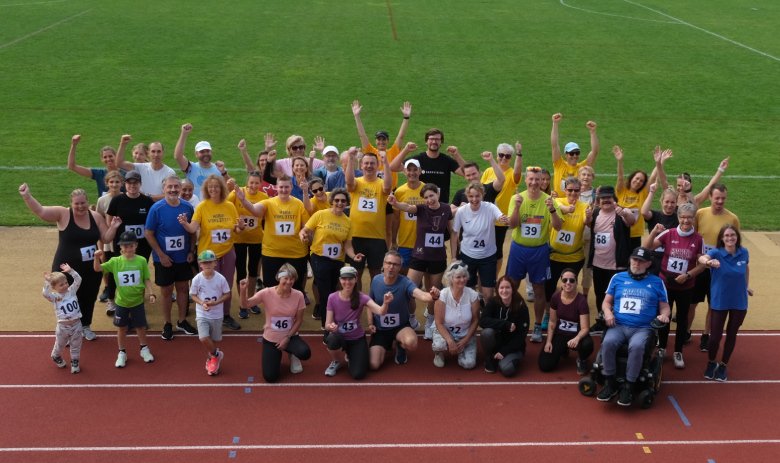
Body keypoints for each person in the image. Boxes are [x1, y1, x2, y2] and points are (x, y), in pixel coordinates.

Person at [19, 183, 121, 341]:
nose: (80, 206)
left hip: (91, 267)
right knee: (67, 298)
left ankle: (85, 326)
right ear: (71, 203)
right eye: (77, 203)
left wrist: (113, 227)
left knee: (88, 297)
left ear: (87, 202)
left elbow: (106, 238)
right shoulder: (63, 214)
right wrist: (27, 196)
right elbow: (41, 211)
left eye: (83, 203)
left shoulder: (95, 216)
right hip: (65, 268)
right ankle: (67, 330)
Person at [597, 247, 670, 407]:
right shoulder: (617, 278)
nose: (637, 263)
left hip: (643, 328)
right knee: (607, 343)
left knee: (637, 346)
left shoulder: (657, 282)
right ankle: (610, 383)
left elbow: (665, 307)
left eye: (641, 261)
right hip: (619, 325)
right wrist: (607, 313)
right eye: (634, 259)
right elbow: (606, 302)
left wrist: (664, 315)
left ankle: (629, 386)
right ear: (630, 260)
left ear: (648, 264)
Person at [178, 174, 245, 330]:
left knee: (226, 284)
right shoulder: (202, 206)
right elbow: (193, 228)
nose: (213, 189)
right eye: (210, 187)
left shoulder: (230, 206)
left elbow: (236, 229)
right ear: (206, 190)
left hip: (227, 251)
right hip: (208, 254)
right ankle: (207, 315)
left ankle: (225, 315)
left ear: (221, 188)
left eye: (216, 186)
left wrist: (241, 227)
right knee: (208, 285)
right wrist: (185, 224)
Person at [388, 183, 453, 340]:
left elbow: (452, 231)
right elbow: (407, 207)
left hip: (437, 258)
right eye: (426, 197)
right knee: (409, 289)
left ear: (437, 194)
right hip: (419, 256)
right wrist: (396, 203)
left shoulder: (446, 209)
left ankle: (430, 321)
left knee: (433, 292)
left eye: (431, 195)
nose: (429, 199)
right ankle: (410, 317)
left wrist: (454, 254)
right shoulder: (421, 209)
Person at [644, 203, 705, 368]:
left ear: (693, 219)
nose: (686, 221)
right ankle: (662, 347)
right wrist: (654, 232)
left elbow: (701, 265)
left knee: (682, 319)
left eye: (689, 217)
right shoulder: (669, 233)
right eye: (683, 217)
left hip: (686, 286)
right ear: (678, 217)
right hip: (666, 284)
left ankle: (678, 351)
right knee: (664, 316)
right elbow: (647, 248)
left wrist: (688, 275)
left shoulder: (698, 239)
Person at [507, 166, 563, 342]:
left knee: (539, 289)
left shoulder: (549, 201)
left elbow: (558, 226)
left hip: (539, 251)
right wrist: (517, 208)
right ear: (526, 180)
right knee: (512, 286)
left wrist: (552, 210)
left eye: (537, 179)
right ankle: (510, 320)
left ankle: (537, 326)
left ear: (542, 181)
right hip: (518, 249)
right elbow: (512, 225)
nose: (534, 182)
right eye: (531, 179)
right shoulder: (517, 198)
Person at [235, 174, 310, 296]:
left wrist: (304, 233)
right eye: (281, 187)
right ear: (276, 187)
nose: (284, 190)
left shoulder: (299, 204)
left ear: (291, 187)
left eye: (286, 187)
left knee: (295, 287)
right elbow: (254, 210)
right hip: (272, 252)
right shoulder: (269, 203)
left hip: (296, 253)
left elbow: (305, 225)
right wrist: (243, 200)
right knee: (271, 286)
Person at [144, 174, 197, 340]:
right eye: (170, 187)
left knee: (183, 289)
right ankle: (167, 323)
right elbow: (148, 233)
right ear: (164, 189)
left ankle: (182, 321)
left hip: (183, 257)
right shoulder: (156, 209)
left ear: (180, 188)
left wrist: (191, 251)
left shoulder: (188, 207)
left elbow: (192, 231)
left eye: (176, 186)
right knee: (166, 291)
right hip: (164, 259)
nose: (173, 189)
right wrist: (161, 255)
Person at [94, 232, 157, 368]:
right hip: (122, 303)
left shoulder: (141, 260)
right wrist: (96, 257)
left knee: (140, 327)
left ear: (136, 245)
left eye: (131, 246)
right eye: (125, 246)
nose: (128, 249)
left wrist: (151, 293)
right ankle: (122, 352)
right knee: (122, 328)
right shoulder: (115, 261)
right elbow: (98, 268)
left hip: (138, 302)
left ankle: (144, 348)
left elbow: (146, 278)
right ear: (121, 247)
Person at [240, 263, 311, 383]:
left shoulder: (298, 295)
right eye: (286, 278)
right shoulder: (266, 293)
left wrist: (287, 338)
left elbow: (299, 320)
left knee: (305, 353)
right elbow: (245, 305)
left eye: (292, 279)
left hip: (290, 336)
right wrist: (243, 290)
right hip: (271, 339)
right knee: (270, 377)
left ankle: (292, 354)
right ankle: (276, 355)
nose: (289, 282)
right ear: (279, 278)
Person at [299, 188, 361, 324]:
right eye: (337, 200)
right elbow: (305, 230)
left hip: (337, 260)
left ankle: (330, 318)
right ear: (331, 201)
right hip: (319, 257)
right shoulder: (320, 214)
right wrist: (303, 235)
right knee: (325, 290)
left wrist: (353, 256)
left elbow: (347, 245)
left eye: (343, 201)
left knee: (334, 289)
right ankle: (326, 324)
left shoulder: (348, 222)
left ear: (347, 203)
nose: (340, 203)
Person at [368, 251, 439, 370]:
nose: (391, 267)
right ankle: (386, 345)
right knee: (374, 365)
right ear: (383, 264)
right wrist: (370, 323)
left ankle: (400, 345)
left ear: (400, 267)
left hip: (400, 327)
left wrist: (433, 296)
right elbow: (370, 303)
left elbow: (421, 295)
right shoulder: (376, 280)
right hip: (380, 329)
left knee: (411, 343)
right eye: (388, 263)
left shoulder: (405, 282)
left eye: (395, 264)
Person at [691, 184, 741, 351]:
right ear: (710, 197)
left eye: (723, 198)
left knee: (714, 305)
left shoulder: (732, 219)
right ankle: (686, 331)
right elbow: (693, 238)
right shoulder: (700, 214)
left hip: (720, 270)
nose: (720, 201)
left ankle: (706, 334)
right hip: (700, 267)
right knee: (692, 303)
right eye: (717, 198)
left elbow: (736, 245)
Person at [699, 225, 752, 382]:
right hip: (720, 300)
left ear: (737, 237)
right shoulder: (716, 253)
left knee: (732, 334)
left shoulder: (744, 252)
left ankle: (723, 365)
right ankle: (711, 362)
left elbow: (746, 268)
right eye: (726, 236)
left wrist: (746, 286)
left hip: (739, 301)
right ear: (722, 238)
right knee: (715, 337)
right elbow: (702, 258)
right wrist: (709, 262)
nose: (730, 238)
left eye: (732, 235)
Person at [323, 266, 392, 379]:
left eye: (350, 279)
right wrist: (331, 327)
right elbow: (327, 325)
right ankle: (336, 361)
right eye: (344, 279)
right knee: (331, 339)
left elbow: (381, 312)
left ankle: (352, 355)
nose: (347, 282)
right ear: (340, 280)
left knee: (358, 374)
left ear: (355, 279)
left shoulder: (362, 297)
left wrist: (386, 303)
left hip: (356, 339)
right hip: (339, 337)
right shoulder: (332, 298)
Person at [587, 185, 636, 334]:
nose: (606, 200)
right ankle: (602, 321)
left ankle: (617, 324)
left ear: (614, 199)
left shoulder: (621, 212)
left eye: (608, 197)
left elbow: (631, 221)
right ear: (599, 200)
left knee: (616, 296)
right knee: (600, 294)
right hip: (598, 264)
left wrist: (624, 213)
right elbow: (588, 224)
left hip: (616, 266)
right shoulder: (596, 213)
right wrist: (588, 217)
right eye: (603, 198)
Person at [452, 181, 509, 301]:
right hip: (468, 256)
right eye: (471, 196)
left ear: (482, 195)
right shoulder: (461, 211)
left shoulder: (490, 207)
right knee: (469, 292)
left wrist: (503, 218)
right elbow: (454, 233)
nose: (474, 199)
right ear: (467, 196)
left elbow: (499, 216)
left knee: (488, 294)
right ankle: (473, 311)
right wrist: (453, 256)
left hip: (488, 257)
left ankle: (486, 312)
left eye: (477, 196)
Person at [544, 177, 592, 313]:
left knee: (569, 286)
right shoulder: (557, 201)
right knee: (549, 287)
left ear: (580, 191)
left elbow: (587, 222)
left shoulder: (584, 206)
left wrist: (589, 216)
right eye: (570, 190)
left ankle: (568, 312)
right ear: (565, 190)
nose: (573, 193)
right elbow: (557, 208)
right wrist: (567, 209)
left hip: (574, 258)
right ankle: (548, 313)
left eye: (576, 190)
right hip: (553, 257)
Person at [346, 149, 393, 283]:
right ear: (361, 165)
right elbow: (349, 182)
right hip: (356, 235)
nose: (369, 166)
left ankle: (376, 296)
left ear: (377, 165)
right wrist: (350, 158)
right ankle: (357, 297)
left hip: (376, 237)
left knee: (376, 273)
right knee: (356, 273)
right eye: (366, 163)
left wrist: (386, 162)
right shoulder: (357, 182)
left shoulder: (381, 183)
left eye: (372, 163)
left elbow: (388, 186)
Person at [226, 172, 269, 319]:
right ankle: (242, 304)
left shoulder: (264, 197)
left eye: (257, 183)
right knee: (241, 272)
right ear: (247, 182)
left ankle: (250, 300)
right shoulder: (236, 193)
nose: (254, 186)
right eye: (251, 183)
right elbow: (226, 207)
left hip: (256, 239)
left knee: (253, 272)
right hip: (239, 239)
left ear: (260, 183)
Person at [480, 142, 524, 276]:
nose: (504, 158)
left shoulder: (512, 174)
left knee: (497, 250)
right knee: (482, 247)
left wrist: (519, 154)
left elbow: (517, 173)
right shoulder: (488, 171)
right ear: (497, 155)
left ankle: (494, 277)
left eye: (507, 156)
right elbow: (481, 191)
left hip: (500, 220)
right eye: (501, 155)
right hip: (485, 218)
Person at [538, 269, 593, 375]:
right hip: (560, 334)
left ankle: (582, 360)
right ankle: (563, 349)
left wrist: (577, 338)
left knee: (587, 344)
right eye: (565, 280)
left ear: (576, 283)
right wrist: (549, 341)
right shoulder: (555, 297)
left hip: (576, 334)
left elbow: (585, 328)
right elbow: (552, 322)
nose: (568, 283)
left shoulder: (581, 301)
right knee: (545, 365)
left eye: (571, 280)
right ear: (561, 282)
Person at [389, 129, 466, 203]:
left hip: (441, 206)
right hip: (421, 205)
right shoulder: (417, 160)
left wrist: (457, 155)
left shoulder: (447, 160)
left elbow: (467, 173)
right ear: (426, 141)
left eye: (437, 139)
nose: (434, 142)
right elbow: (393, 167)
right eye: (431, 139)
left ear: (441, 142)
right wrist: (405, 151)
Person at [352, 99, 412, 190]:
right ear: (375, 141)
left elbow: (401, 136)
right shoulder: (370, 151)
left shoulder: (393, 152)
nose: (381, 142)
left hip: (390, 191)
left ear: (388, 141)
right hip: (373, 189)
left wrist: (406, 118)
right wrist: (357, 116)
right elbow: (362, 135)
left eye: (384, 139)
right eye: (379, 139)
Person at [431, 261, 480, 369]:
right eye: (458, 277)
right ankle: (439, 353)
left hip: (465, 334)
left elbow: (475, 320)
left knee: (469, 364)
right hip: (445, 331)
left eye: (464, 276)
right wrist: (450, 341)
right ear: (451, 279)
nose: (462, 280)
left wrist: (465, 340)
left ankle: (461, 350)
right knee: (439, 344)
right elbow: (439, 322)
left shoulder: (473, 295)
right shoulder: (442, 295)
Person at [190, 250, 231, 376]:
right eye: (204, 263)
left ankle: (212, 359)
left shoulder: (221, 279)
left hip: (217, 315)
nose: (207, 265)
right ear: (200, 264)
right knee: (203, 338)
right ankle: (216, 355)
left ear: (215, 263)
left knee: (213, 341)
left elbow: (227, 294)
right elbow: (193, 295)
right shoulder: (197, 279)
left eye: (210, 262)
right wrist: (202, 303)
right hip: (202, 314)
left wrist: (216, 302)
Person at [479, 275, 530, 377]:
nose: (504, 291)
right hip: (498, 342)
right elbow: (482, 321)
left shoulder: (521, 306)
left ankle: (506, 358)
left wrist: (504, 352)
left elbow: (521, 336)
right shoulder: (493, 302)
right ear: (497, 290)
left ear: (513, 289)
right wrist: (505, 324)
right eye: (501, 288)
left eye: (507, 287)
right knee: (486, 333)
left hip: (513, 346)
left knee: (507, 370)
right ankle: (490, 356)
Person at [42, 264, 84, 374]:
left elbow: (78, 279)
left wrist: (70, 271)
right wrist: (47, 281)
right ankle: (55, 355)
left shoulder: (72, 290)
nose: (65, 285)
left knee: (76, 345)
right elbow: (45, 294)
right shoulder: (55, 297)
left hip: (76, 324)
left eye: (65, 283)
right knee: (60, 345)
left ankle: (75, 361)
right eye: (61, 285)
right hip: (63, 327)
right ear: (54, 288)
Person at [550, 114, 600, 197]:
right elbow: (554, 145)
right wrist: (555, 124)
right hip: (559, 202)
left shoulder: (582, 168)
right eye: (571, 153)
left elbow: (594, 152)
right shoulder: (559, 164)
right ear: (566, 154)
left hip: (575, 202)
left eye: (577, 153)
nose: (574, 156)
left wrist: (593, 132)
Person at [95, 170, 124, 311]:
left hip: (124, 240)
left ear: (122, 183)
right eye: (111, 182)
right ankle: (111, 298)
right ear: (107, 183)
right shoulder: (102, 200)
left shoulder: (126, 198)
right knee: (112, 270)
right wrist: (101, 244)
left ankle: (125, 298)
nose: (114, 184)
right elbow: (99, 220)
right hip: (109, 241)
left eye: (117, 182)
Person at [116, 135, 175, 201]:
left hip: (160, 205)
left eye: (159, 151)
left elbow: (171, 194)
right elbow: (119, 163)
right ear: (148, 153)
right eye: (153, 151)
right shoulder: (140, 167)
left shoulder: (169, 172)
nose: (156, 155)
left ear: (163, 153)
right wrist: (123, 144)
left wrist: (148, 198)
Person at [173, 123, 224, 194]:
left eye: (207, 151)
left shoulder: (219, 169)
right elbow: (178, 156)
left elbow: (228, 188)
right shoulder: (191, 168)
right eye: (202, 152)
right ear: (196, 154)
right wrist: (184, 134)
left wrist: (224, 173)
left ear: (211, 152)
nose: (205, 154)